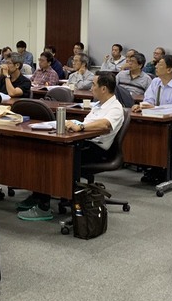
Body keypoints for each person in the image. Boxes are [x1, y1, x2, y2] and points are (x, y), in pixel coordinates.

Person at [17, 71, 125, 221]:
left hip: (97, 150)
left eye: (94, 85)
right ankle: (37, 196)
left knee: (53, 159)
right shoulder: (99, 105)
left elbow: (105, 124)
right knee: (44, 152)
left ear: (103, 88)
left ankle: (43, 207)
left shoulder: (115, 107)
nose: (91, 88)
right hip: (84, 143)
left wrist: (80, 127)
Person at [133, 55, 172, 184]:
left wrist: (156, 108)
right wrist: (142, 106)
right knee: (146, 137)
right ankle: (153, 169)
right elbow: (148, 100)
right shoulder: (156, 82)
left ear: (169, 69)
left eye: (160, 64)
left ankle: (168, 173)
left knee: (170, 141)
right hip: (157, 124)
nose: (156, 67)